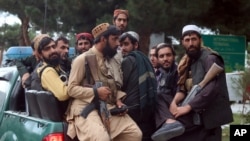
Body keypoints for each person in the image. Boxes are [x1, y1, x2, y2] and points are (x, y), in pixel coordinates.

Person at [66, 23, 142, 141]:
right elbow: (71, 89)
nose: (118, 44)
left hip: (107, 106)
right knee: (101, 139)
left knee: (134, 134)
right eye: (114, 39)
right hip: (84, 108)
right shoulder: (82, 59)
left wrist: (118, 101)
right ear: (103, 39)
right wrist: (95, 92)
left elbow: (111, 87)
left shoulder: (110, 60)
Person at [168, 24, 233, 141]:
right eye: (187, 40)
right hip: (196, 118)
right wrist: (174, 103)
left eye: (194, 39)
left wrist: (188, 107)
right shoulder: (187, 61)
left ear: (200, 40)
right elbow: (182, 88)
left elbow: (212, 88)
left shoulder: (210, 58)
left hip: (209, 121)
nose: (191, 43)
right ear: (183, 42)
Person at [119, 31, 157, 141]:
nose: (122, 48)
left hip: (131, 110)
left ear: (135, 45)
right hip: (146, 107)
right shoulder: (144, 59)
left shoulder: (128, 60)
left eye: (126, 44)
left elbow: (121, 85)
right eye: (120, 45)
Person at [151, 43, 184, 141]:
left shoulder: (179, 71)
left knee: (157, 94)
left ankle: (170, 123)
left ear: (174, 56)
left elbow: (182, 90)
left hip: (177, 105)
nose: (165, 58)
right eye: (161, 56)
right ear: (158, 59)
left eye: (168, 55)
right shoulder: (157, 73)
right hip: (161, 107)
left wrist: (174, 102)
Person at [29, 35, 69, 101]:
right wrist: (77, 88)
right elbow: (63, 95)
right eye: (47, 49)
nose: (53, 51)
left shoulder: (57, 67)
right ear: (40, 54)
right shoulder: (47, 71)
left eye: (54, 46)